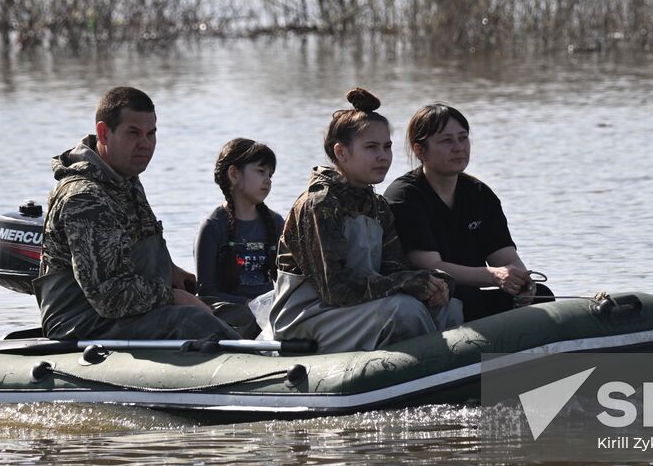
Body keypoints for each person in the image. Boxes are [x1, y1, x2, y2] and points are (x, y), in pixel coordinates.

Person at [34, 86, 239, 342]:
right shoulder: (84, 197)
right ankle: (264, 367)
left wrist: (172, 273)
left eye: (151, 134)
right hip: (83, 322)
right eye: (133, 133)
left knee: (237, 313)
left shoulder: (125, 178)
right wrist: (173, 297)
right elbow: (109, 297)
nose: (145, 144)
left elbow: (129, 249)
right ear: (103, 133)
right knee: (193, 322)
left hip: (132, 311)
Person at [269, 87, 463, 352]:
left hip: (357, 308)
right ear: (341, 152)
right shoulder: (320, 204)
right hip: (309, 315)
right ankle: (435, 372)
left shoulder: (378, 206)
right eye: (371, 147)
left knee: (448, 306)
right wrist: (405, 283)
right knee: (403, 310)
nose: (383, 156)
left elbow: (393, 270)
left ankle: (451, 381)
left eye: (387, 147)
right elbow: (334, 289)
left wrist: (433, 281)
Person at [384, 102, 553, 322]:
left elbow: (506, 258)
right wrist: (494, 276)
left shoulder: (479, 194)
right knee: (465, 300)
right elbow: (431, 266)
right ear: (420, 150)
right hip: (432, 301)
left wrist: (523, 283)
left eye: (463, 138)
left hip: (472, 297)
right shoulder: (405, 195)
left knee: (541, 296)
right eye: (446, 140)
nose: (459, 147)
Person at [193, 138, 283, 304]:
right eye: (261, 171)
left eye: (270, 174)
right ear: (234, 174)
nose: (268, 180)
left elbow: (288, 281)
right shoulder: (213, 226)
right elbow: (206, 293)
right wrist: (251, 306)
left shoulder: (276, 223)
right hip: (232, 317)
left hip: (271, 314)